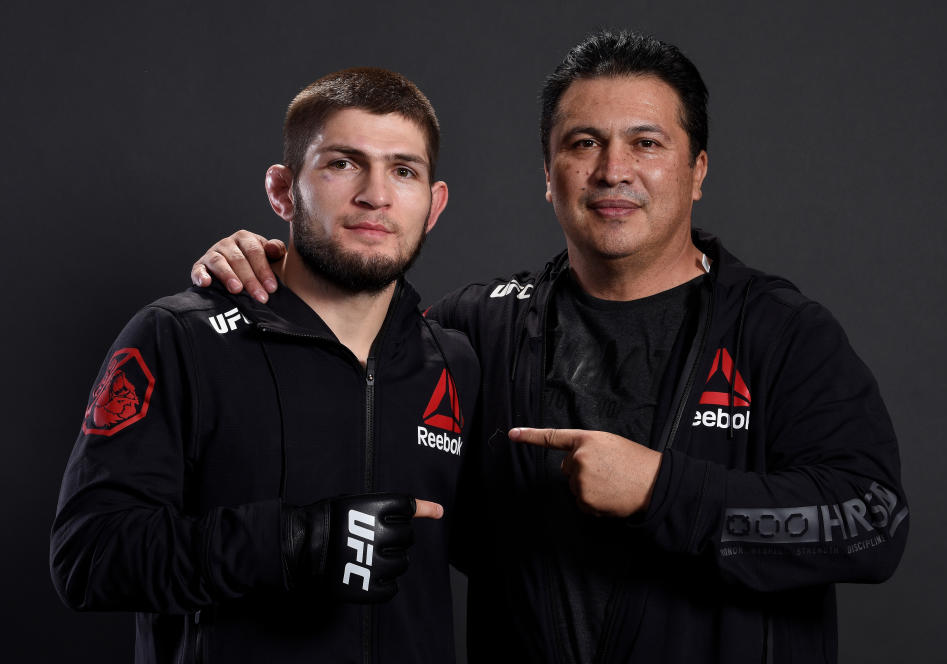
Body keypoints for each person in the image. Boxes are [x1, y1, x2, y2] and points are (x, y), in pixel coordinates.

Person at [191, 32, 909, 663]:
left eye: (645, 143)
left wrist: (663, 490)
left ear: (696, 172)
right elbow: (347, 351)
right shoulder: (475, 329)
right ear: (547, 174)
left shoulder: (779, 332)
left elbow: (872, 523)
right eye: (581, 143)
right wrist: (270, 263)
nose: (611, 171)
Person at [51, 68, 479, 664]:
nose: (376, 195)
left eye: (403, 170)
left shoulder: (453, 362)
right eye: (343, 164)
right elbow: (89, 557)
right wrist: (296, 543)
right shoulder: (179, 338)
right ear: (283, 192)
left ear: (432, 206)